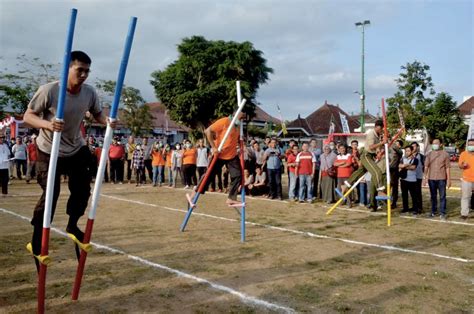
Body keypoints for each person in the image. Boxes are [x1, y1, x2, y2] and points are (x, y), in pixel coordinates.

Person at [23, 51, 115, 267]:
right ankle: (37, 240)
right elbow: (28, 116)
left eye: (87, 71)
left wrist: (107, 121)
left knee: (83, 188)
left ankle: (73, 225)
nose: (83, 75)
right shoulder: (50, 91)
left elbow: (97, 114)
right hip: (48, 149)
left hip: (75, 147)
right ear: (67, 69)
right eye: (79, 70)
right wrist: (48, 124)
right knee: (51, 194)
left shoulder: (89, 93)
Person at [191, 112, 244, 205]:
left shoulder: (238, 125)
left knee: (238, 176)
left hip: (232, 155)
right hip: (220, 154)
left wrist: (240, 146)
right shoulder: (224, 121)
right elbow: (207, 131)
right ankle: (195, 191)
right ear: (236, 113)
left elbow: (234, 139)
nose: (242, 118)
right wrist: (213, 147)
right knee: (209, 175)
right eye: (241, 116)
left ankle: (231, 198)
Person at [345, 120, 387, 198]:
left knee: (360, 172)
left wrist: (379, 150)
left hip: (370, 156)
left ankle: (345, 185)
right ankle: (380, 191)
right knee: (377, 172)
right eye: (381, 128)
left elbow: (375, 148)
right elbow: (371, 147)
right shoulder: (371, 134)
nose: (382, 130)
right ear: (377, 127)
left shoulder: (377, 135)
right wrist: (382, 143)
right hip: (366, 156)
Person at [424, 138, 451, 220]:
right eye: (433, 143)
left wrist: (449, 179)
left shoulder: (445, 154)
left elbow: (447, 167)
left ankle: (442, 212)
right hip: (431, 178)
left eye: (436, 143)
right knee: (433, 196)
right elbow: (426, 166)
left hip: (442, 178)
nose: (434, 144)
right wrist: (424, 177)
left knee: (442, 196)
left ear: (440, 144)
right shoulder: (429, 154)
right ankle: (433, 211)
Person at [399, 145, 419, 215]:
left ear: (412, 151)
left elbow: (413, 167)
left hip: (412, 180)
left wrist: (404, 166)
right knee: (404, 195)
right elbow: (399, 166)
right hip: (403, 179)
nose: (407, 152)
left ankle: (415, 209)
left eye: (408, 151)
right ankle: (405, 208)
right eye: (406, 151)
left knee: (413, 195)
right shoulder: (402, 158)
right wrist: (407, 165)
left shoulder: (415, 159)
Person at [459, 139, 474, 219]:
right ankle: (464, 214)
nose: (471, 146)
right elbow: (460, 166)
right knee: (465, 197)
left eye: (472, 144)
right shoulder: (463, 154)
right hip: (466, 179)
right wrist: (463, 165)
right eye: (469, 145)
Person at [411, 142, 425, 213]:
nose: (413, 148)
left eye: (414, 146)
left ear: (417, 147)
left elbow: (424, 166)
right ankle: (414, 206)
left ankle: (419, 207)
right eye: (412, 146)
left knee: (418, 192)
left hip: (418, 177)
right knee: (412, 193)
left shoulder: (421, 156)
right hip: (410, 177)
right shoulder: (408, 156)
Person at [389, 139, 404, 208]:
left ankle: (394, 202)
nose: (395, 144)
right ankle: (386, 200)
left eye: (397, 143)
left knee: (394, 187)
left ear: (400, 146)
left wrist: (390, 140)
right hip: (388, 169)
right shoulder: (390, 150)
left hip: (394, 170)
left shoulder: (400, 151)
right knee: (388, 185)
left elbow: (395, 147)